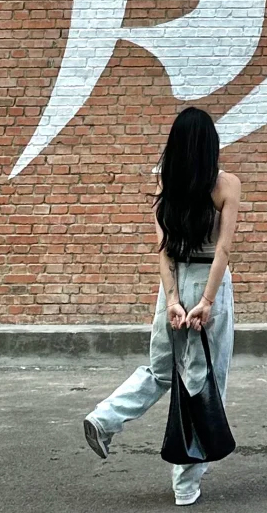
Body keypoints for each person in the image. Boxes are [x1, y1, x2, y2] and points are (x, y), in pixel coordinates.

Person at [83, 106, 240, 506]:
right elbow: (223, 249)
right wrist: (206, 301)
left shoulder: (165, 183)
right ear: (211, 145)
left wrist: (172, 299)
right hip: (208, 280)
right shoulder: (226, 185)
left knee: (159, 369)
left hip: (172, 281)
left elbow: (164, 249)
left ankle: (105, 418)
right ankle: (185, 486)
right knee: (204, 382)